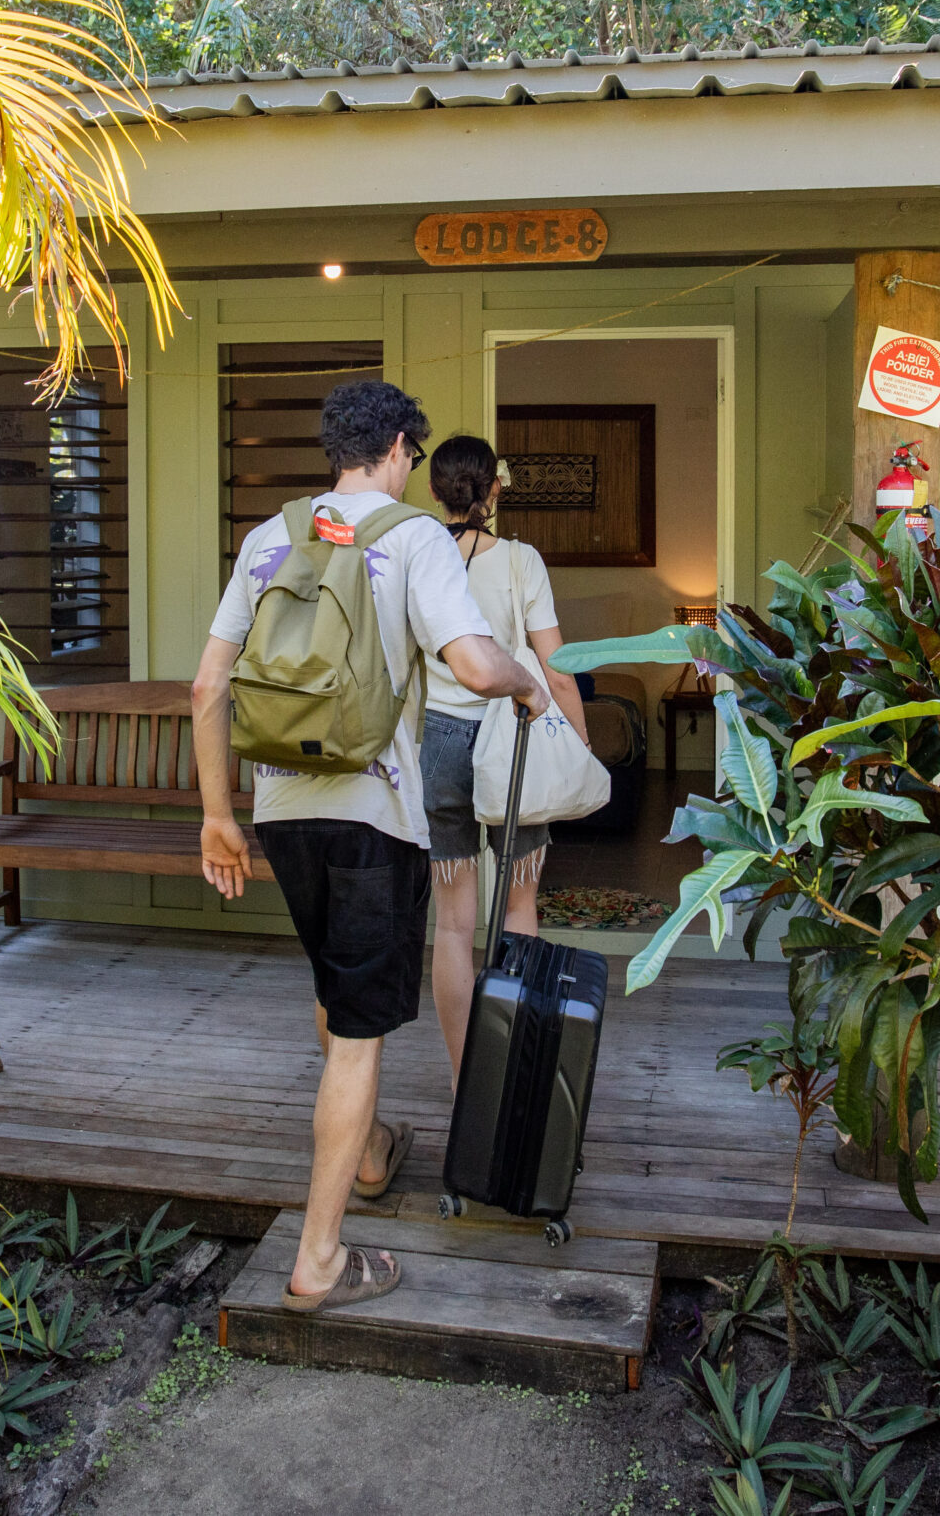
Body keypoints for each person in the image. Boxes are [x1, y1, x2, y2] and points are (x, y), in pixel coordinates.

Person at [192, 382, 546, 1315]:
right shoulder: (413, 536)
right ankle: (319, 1258)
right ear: (394, 446)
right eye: (411, 457)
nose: (410, 471)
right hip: (373, 813)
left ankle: (372, 1148)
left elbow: (207, 686)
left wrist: (218, 814)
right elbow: (472, 662)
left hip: (280, 809)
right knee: (357, 1033)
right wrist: (527, 682)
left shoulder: (270, 536)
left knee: (334, 988)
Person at [417, 435, 592, 1086]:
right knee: (519, 910)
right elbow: (557, 668)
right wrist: (577, 746)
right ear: (495, 488)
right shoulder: (522, 560)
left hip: (438, 742)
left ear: (434, 491)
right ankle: (511, 1068)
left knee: (452, 926)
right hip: (512, 738)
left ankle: (466, 1082)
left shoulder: (418, 557)